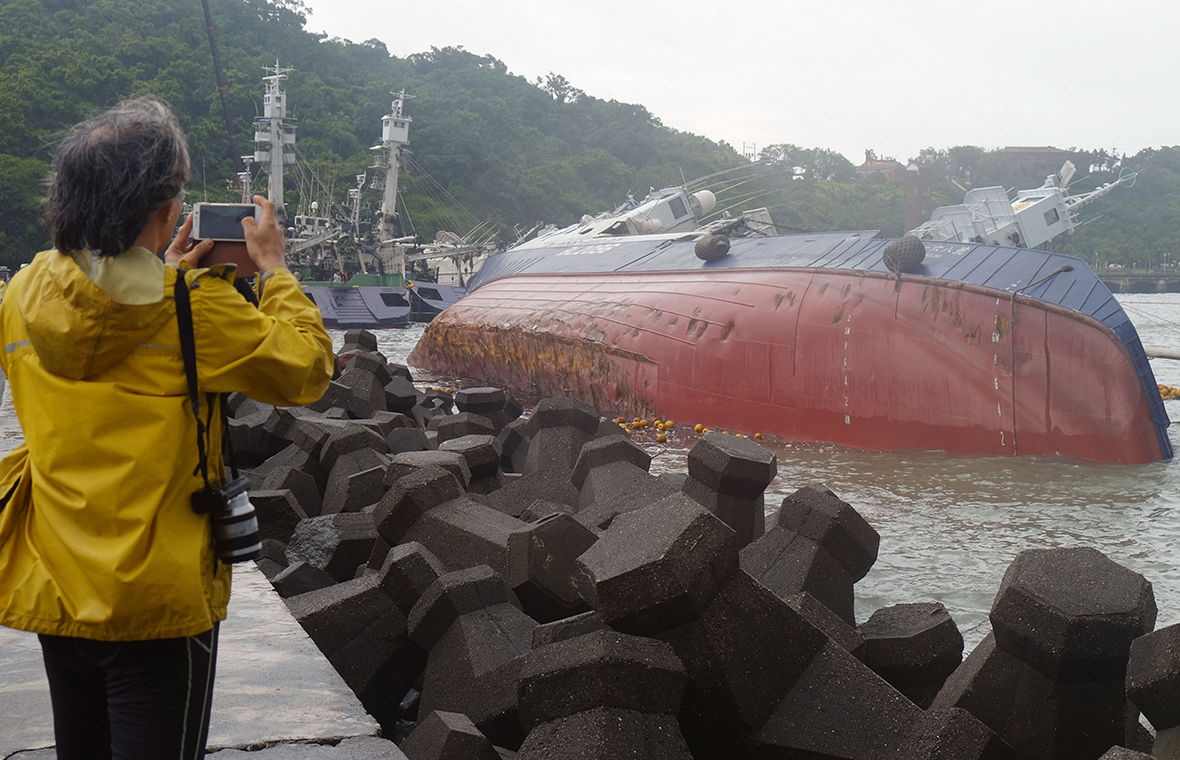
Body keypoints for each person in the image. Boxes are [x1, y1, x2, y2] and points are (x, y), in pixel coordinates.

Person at [0, 96, 333, 759]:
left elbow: (104, 328)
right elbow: (307, 369)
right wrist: (275, 271)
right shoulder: (195, 309)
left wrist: (160, 271)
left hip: (58, 580)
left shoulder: (26, 292)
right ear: (164, 209)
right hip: (157, 596)